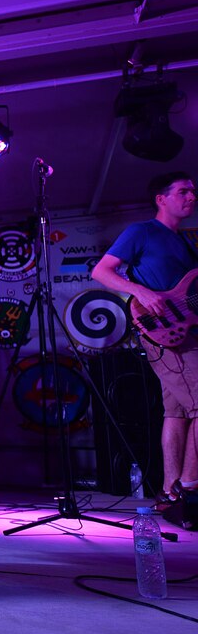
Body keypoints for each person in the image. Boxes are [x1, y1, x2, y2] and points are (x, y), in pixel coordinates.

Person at [91, 172, 198, 515]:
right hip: (167, 336)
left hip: (187, 332)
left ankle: (169, 492)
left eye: (193, 191)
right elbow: (101, 271)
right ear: (161, 199)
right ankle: (190, 487)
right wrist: (141, 291)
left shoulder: (185, 242)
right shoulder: (142, 231)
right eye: (183, 191)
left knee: (177, 412)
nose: (192, 196)